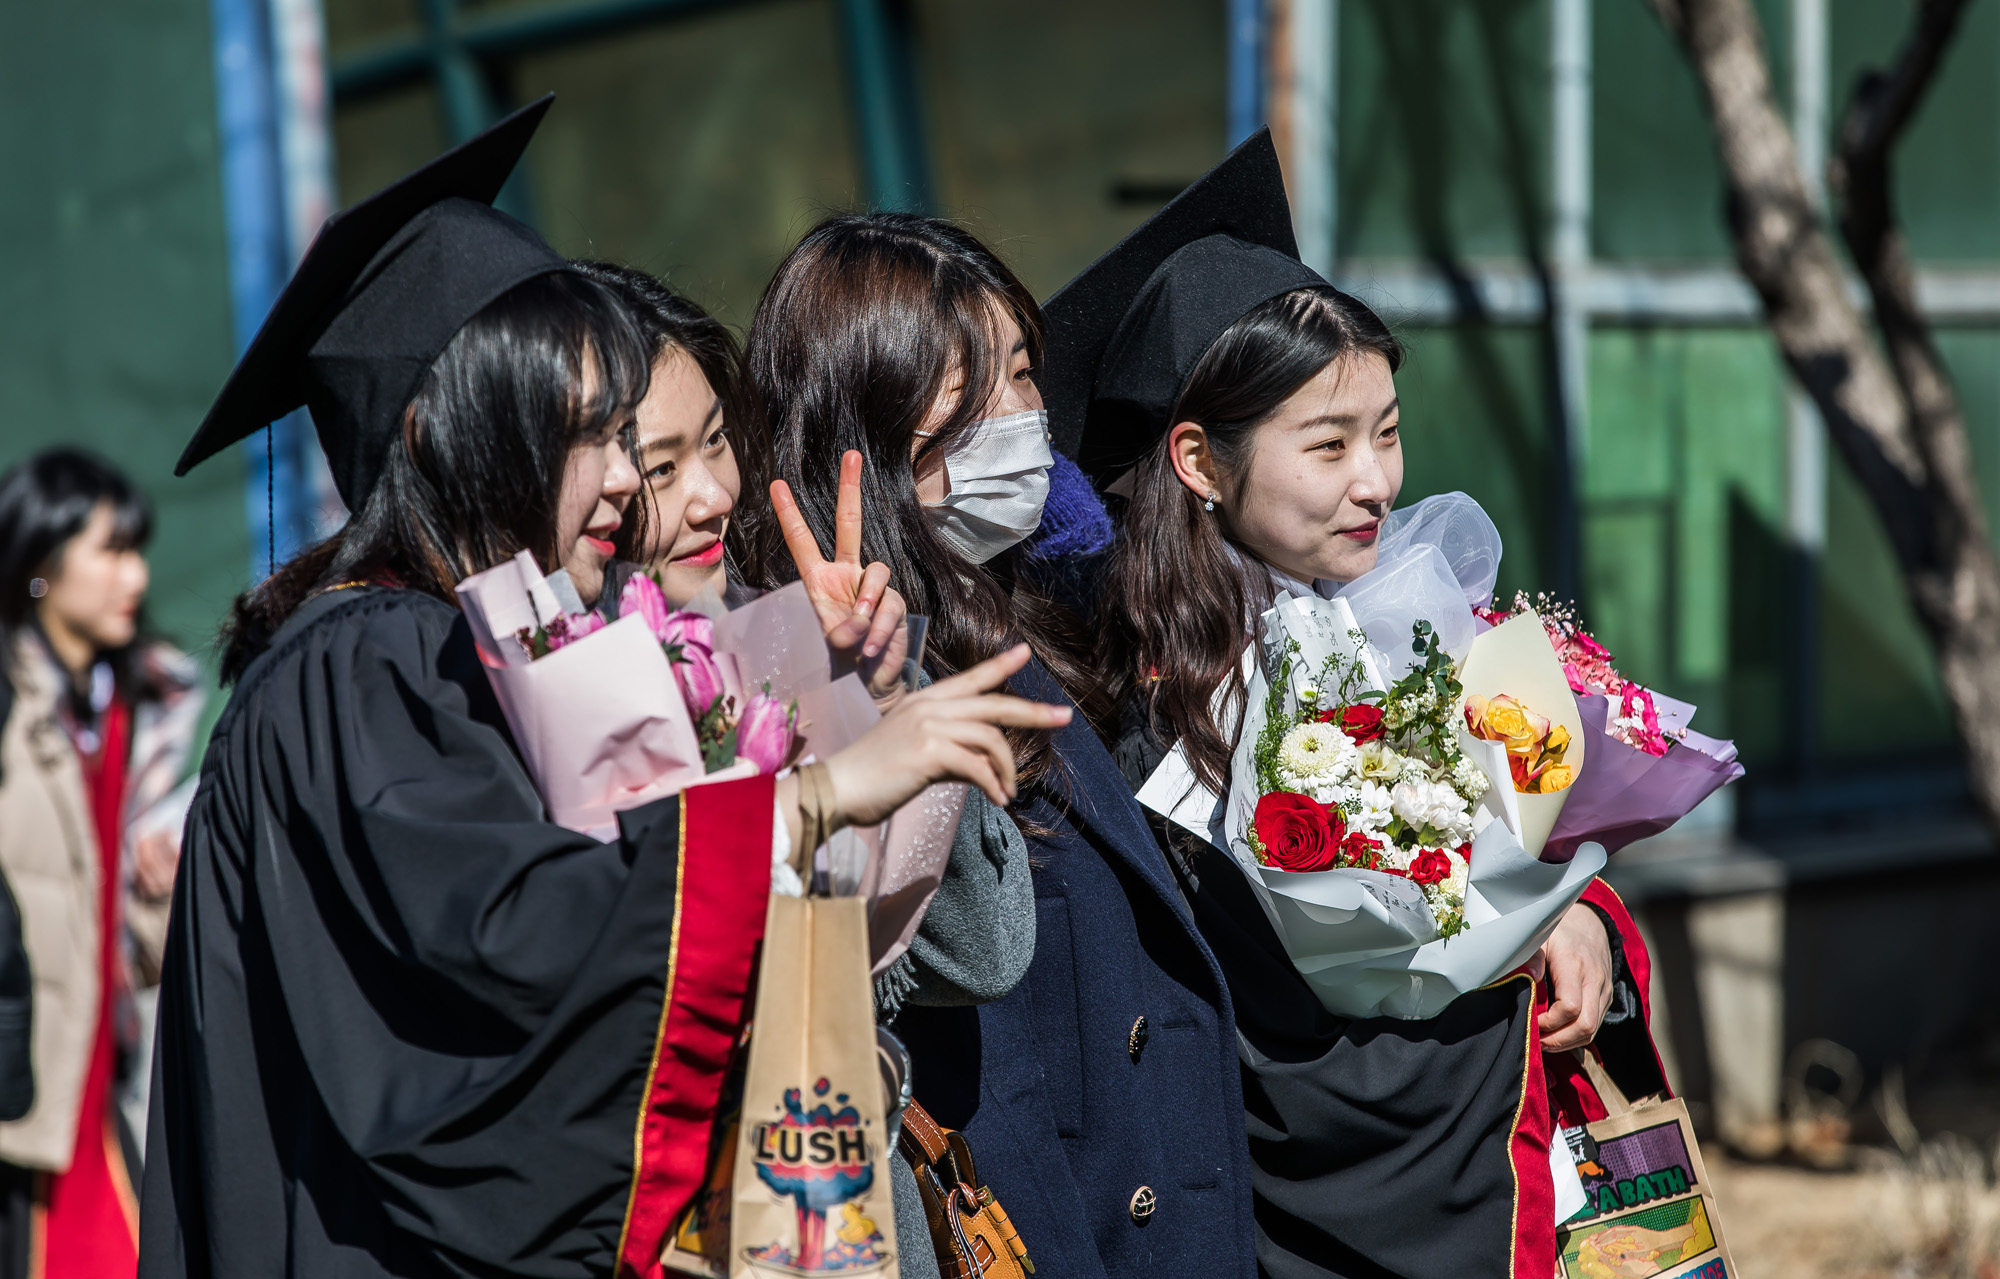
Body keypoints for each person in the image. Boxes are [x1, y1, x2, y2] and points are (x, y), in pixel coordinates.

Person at [143, 99, 1071, 1279]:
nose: (630, 482)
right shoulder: (364, 666)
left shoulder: (464, 653)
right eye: (588, 431)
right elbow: (526, 950)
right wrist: (818, 799)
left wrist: (831, 690)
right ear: (439, 432)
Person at [1049, 131, 1669, 1277]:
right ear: (1197, 460)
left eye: (1384, 433)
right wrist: (1499, 958)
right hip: (1300, 1218)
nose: (1376, 481)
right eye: (1328, 444)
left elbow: (1501, 867)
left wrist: (1571, 915)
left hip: (1486, 1166)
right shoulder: (1129, 712)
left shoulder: (1413, 626)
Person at [742, 212, 1258, 1279]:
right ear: (880, 422)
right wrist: (871, 696)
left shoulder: (1032, 612)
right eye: (982, 387)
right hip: (1041, 1231)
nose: (1026, 416)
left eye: (1024, 372)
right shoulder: (795, 669)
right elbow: (981, 952)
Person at [0, 449, 203, 1279]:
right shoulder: (10, 709)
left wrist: (158, 892)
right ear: (41, 562)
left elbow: (119, 940)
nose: (136, 575)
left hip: (102, 1090)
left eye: (138, 550)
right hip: (22, 1097)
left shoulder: (137, 710)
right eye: (112, 550)